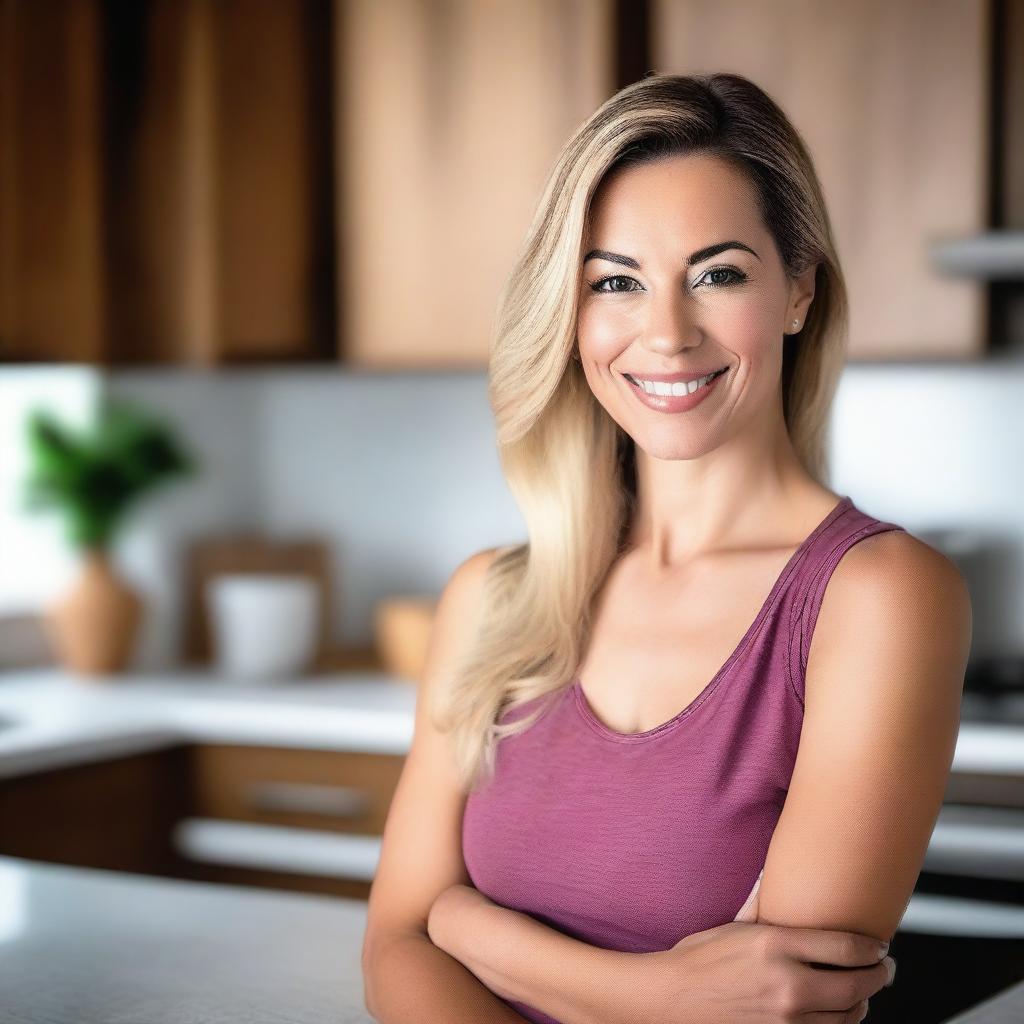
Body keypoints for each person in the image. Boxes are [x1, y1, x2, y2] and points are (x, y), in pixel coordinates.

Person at [362, 72, 971, 1024]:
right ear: (571, 311)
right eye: (616, 282)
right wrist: (652, 993)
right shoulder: (491, 598)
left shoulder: (878, 595)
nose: (667, 333)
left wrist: (470, 927)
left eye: (718, 274)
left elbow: (769, 1008)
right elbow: (393, 947)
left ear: (799, 290)